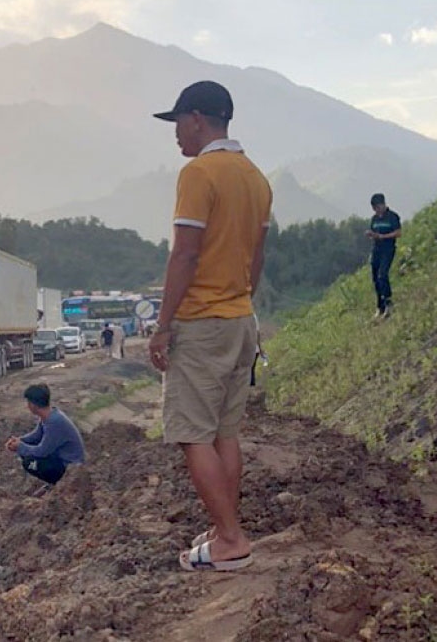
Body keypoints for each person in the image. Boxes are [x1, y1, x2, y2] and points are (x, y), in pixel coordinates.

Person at [149, 80, 271, 572]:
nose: (176, 133)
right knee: (224, 431)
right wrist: (239, 299)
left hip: (201, 323)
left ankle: (230, 539)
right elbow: (257, 257)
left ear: (198, 118)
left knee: (192, 433)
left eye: (177, 122)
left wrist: (162, 325)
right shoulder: (255, 177)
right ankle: (226, 527)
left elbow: (186, 252)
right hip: (241, 319)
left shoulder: (199, 173)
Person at [5, 384, 86, 497]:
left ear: (33, 405)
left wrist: (20, 447)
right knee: (28, 451)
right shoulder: (49, 416)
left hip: (69, 467)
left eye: (28, 402)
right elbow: (36, 435)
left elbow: (42, 451)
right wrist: (19, 440)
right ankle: (52, 483)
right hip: (60, 458)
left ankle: (56, 482)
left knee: (28, 462)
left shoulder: (54, 422)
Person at [366, 193, 402, 319]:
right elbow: (374, 231)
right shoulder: (374, 219)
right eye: (374, 208)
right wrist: (372, 234)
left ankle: (388, 302)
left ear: (382, 204)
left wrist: (383, 236)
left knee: (383, 275)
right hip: (376, 249)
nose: (376, 210)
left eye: (377, 207)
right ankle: (379, 306)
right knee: (376, 278)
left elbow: (398, 233)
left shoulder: (392, 217)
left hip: (388, 249)